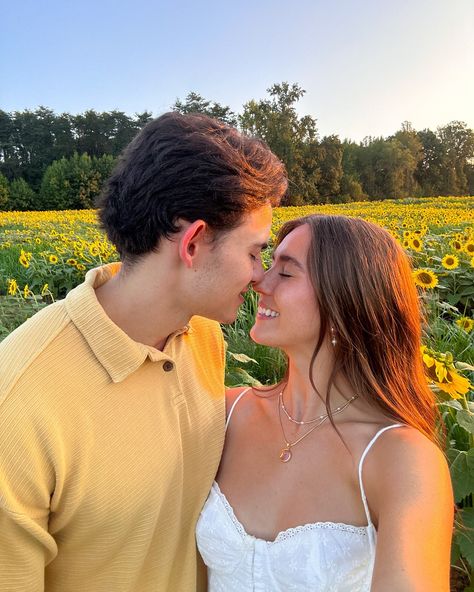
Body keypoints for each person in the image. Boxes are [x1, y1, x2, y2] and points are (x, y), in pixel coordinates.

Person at [0, 112, 287, 592]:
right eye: (255, 252)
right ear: (193, 243)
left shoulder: (203, 337)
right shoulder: (18, 406)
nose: (261, 276)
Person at [197, 214, 454, 591]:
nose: (259, 282)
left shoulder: (399, 460)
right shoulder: (224, 415)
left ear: (345, 303)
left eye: (285, 274)